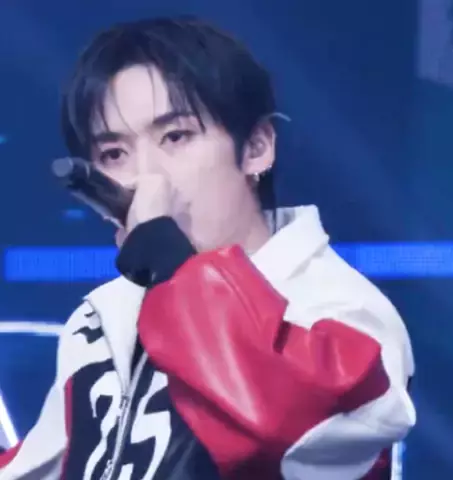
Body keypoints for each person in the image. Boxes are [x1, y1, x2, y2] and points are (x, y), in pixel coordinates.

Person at [0, 16, 415, 480]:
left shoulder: (340, 308)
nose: (146, 179)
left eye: (175, 137)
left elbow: (283, 430)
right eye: (114, 155)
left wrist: (170, 265)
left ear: (256, 147)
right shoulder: (100, 318)